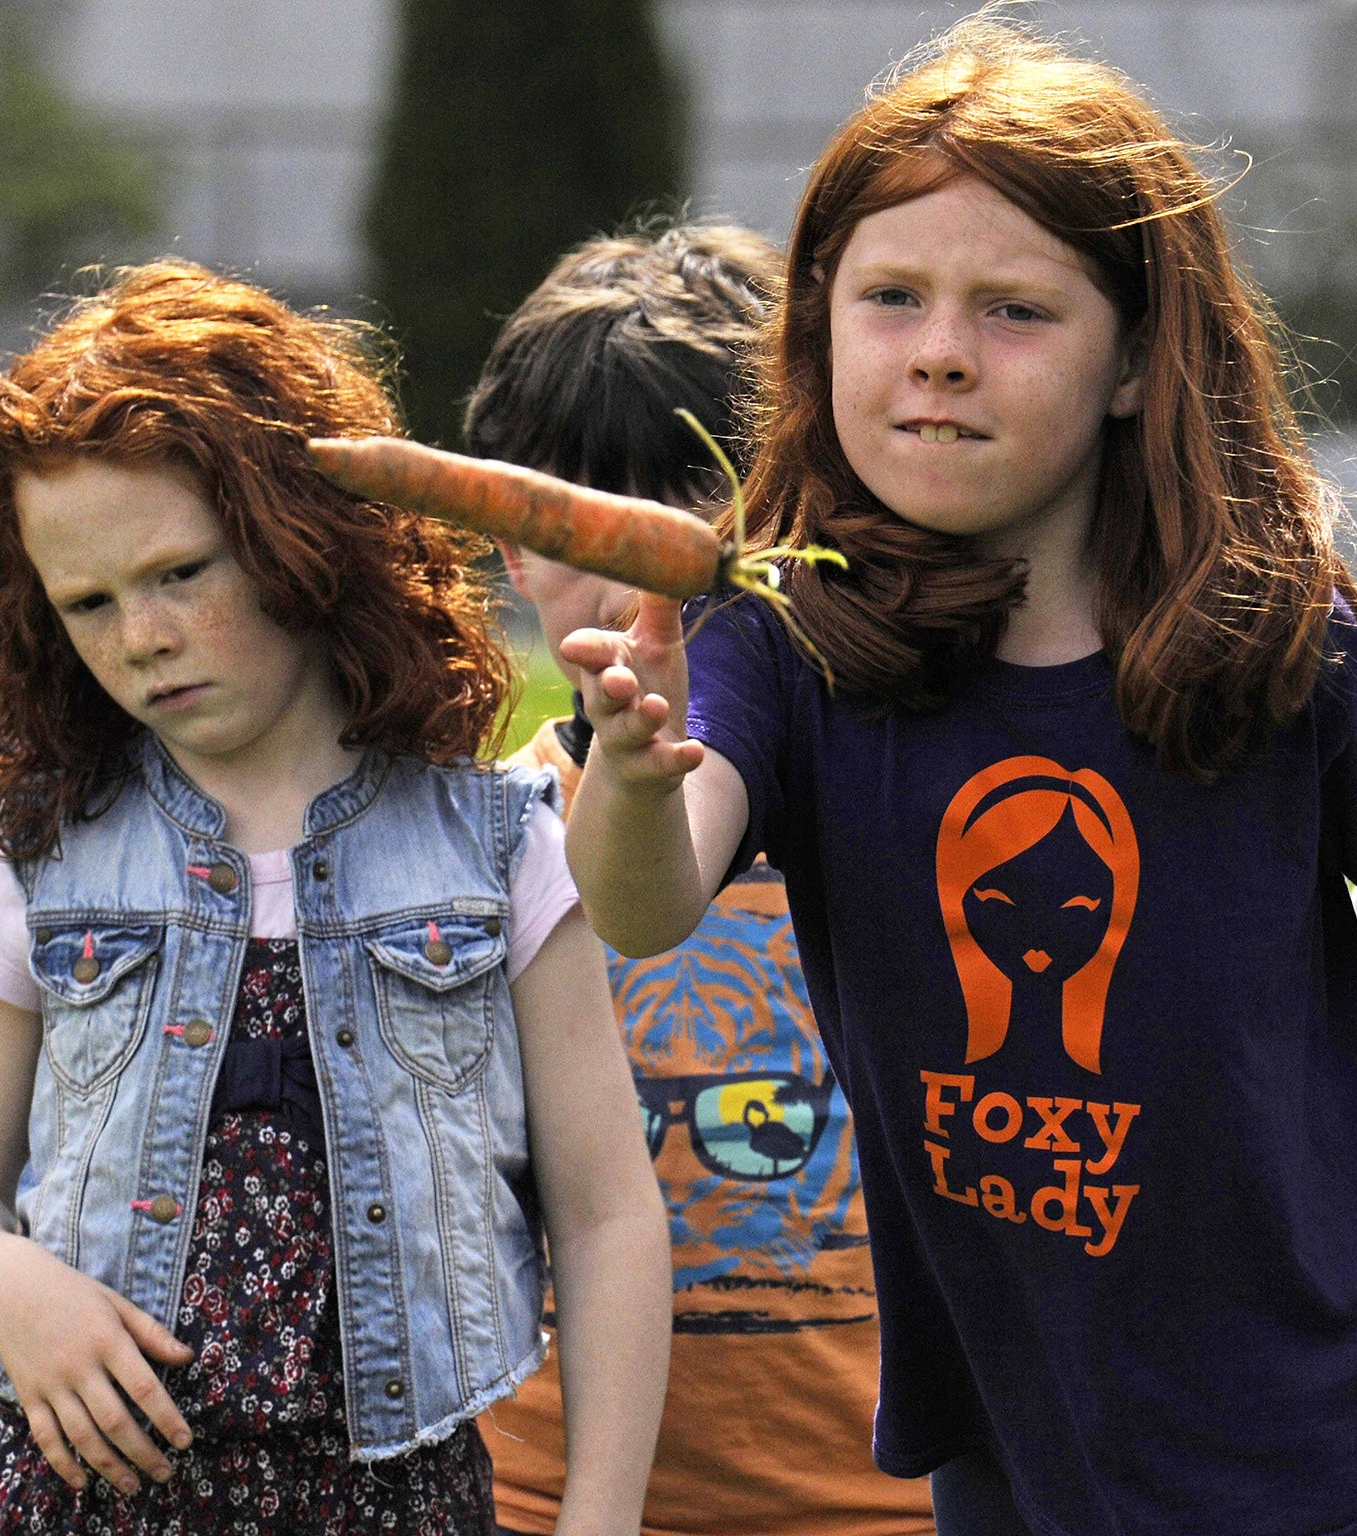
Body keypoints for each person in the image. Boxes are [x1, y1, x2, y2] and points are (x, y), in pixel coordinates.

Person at [559, 19, 1357, 1536]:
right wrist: (640, 778)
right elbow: (644, 906)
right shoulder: (788, 642)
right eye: (892, 298)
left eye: (1014, 311)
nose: (938, 348)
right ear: (821, 329)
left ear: (1136, 363)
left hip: (1296, 1439)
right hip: (999, 1426)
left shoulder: (1284, 645)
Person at [0, 260, 671, 1535]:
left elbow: (608, 1218)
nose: (140, 638)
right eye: (88, 604)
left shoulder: (495, 848)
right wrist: (7, 1284)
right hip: (62, 1505)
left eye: (180, 573)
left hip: (395, 1503)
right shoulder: (44, 852)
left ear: (298, 535)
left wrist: (597, 1521)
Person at [466, 226, 935, 1536]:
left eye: (686, 516)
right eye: (572, 517)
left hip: (888, 1506)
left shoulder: (912, 820)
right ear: (510, 554)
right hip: (545, 1501)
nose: (636, 574)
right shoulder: (473, 843)